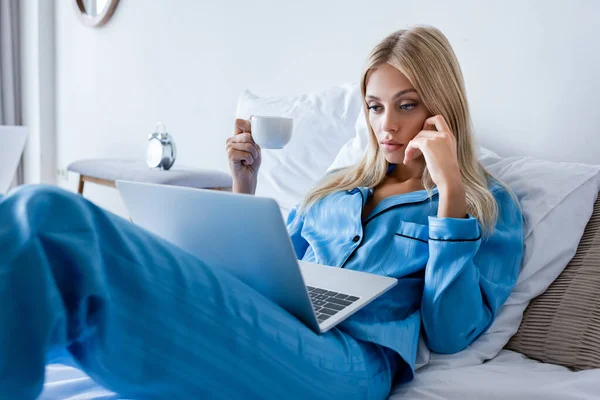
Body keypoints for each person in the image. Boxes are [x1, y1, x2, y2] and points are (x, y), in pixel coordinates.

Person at [0, 26, 523, 399]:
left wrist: (450, 192)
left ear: (442, 107)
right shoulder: (337, 188)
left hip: (351, 360)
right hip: (277, 322)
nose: (386, 125)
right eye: (374, 105)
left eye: (406, 105)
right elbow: (268, 269)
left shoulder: (486, 203)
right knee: (43, 230)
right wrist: (243, 188)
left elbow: (453, 332)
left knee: (49, 220)